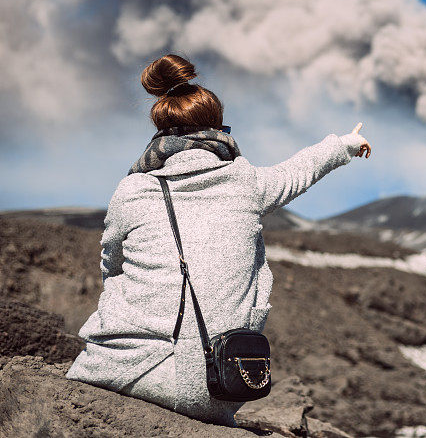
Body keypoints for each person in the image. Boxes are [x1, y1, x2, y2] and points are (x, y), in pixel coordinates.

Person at [65, 53, 371, 425]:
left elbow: (110, 266)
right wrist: (346, 144)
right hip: (219, 384)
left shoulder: (131, 191)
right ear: (217, 131)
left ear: (161, 134)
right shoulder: (246, 183)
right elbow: (299, 170)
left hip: (118, 369)